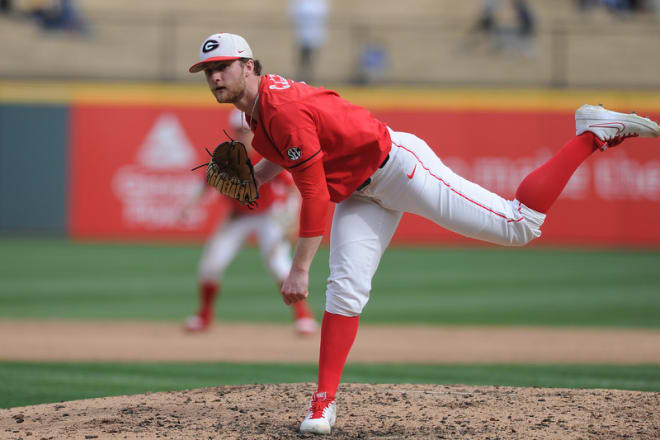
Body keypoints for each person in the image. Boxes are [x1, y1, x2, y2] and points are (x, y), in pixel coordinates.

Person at [188, 33, 660, 434]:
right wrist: (255, 176)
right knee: (347, 290)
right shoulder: (257, 112)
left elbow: (313, 197)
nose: (214, 78)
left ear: (248, 65)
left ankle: (590, 133)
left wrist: (298, 269)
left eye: (222, 67)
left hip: (398, 168)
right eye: (207, 70)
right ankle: (323, 402)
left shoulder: (280, 108)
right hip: (358, 192)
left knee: (518, 224)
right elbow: (285, 159)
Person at [181, 108, 317, 336]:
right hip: (238, 217)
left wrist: (291, 219)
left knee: (278, 264)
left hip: (268, 215)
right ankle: (204, 316)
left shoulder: (266, 154)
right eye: (239, 130)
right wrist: (190, 205)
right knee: (211, 265)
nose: (243, 135)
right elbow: (205, 182)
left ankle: (303, 316)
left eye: (247, 130)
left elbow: (293, 187)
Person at [287, 0, 329, 84]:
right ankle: (301, 79)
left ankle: (310, 79)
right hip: (302, 35)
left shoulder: (319, 3)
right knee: (302, 60)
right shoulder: (300, 3)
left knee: (312, 60)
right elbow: (292, 15)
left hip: (315, 36)